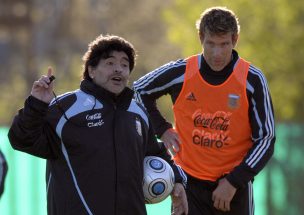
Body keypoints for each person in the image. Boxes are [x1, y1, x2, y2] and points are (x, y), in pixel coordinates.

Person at [8, 34, 188, 215]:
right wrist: (37, 103)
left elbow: (154, 152)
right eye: (110, 63)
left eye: (124, 65)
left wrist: (177, 180)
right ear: (91, 70)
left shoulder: (138, 112)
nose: (118, 69)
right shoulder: (66, 108)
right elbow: (21, 139)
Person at [133, 6, 275, 215]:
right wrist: (161, 128)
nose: (217, 53)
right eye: (210, 44)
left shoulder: (252, 79)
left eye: (224, 44)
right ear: (201, 38)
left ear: (235, 40)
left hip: (233, 188)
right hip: (188, 185)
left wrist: (234, 182)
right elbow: (138, 91)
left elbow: (266, 138)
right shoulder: (180, 72)